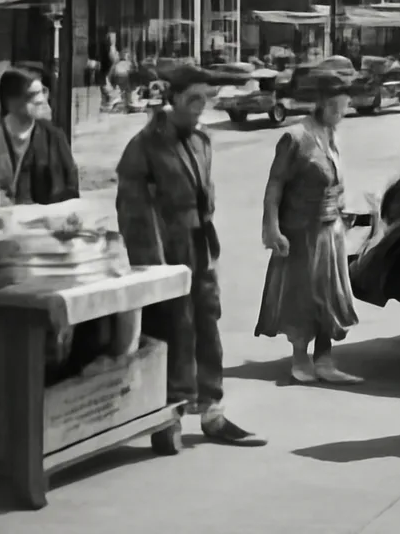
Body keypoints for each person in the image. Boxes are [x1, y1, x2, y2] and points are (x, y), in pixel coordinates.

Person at [115, 64, 259, 446]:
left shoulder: (201, 141)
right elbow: (133, 210)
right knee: (171, 330)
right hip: (165, 248)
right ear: (173, 98)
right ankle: (168, 418)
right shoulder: (144, 146)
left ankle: (213, 414)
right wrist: (154, 265)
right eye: (193, 99)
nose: (200, 107)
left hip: (199, 246)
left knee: (207, 326)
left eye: (205, 100)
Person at [256, 73, 361, 384]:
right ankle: (300, 359)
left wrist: (344, 211)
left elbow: (333, 181)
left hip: (331, 231)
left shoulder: (332, 135)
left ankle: (325, 359)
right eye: (336, 111)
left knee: (330, 296)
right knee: (302, 296)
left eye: (344, 111)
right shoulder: (296, 137)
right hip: (301, 231)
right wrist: (272, 228)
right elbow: (275, 185)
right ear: (322, 105)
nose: (340, 117)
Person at [0, 68, 79, 204]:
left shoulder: (54, 136)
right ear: (10, 101)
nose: (41, 99)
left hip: (48, 220)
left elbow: (71, 185)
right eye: (32, 94)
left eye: (43, 91)